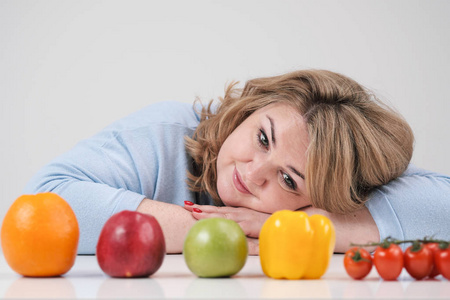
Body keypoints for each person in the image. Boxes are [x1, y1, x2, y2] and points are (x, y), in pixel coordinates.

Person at [23, 69, 450, 255]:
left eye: (288, 179)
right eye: (263, 137)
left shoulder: (328, 195)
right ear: (250, 108)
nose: (254, 173)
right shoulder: (168, 133)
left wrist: (289, 228)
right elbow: (46, 200)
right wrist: (215, 229)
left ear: (322, 198)